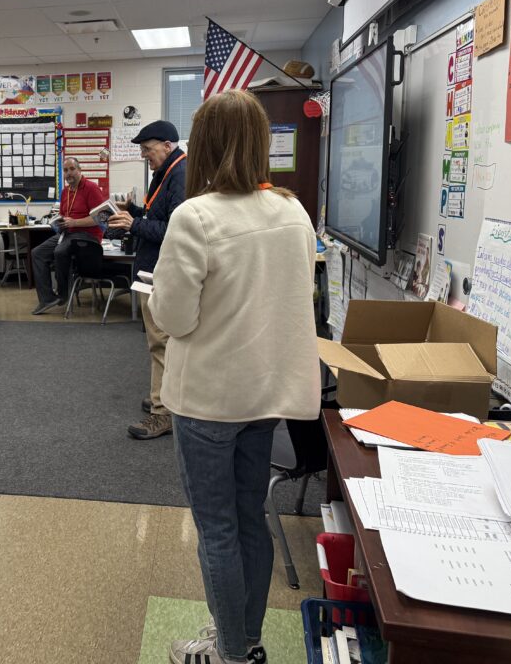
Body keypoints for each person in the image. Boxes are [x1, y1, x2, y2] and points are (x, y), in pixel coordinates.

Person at [149, 90, 319, 664]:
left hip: (207, 401)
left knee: (217, 529)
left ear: (205, 147)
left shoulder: (195, 216)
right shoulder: (293, 211)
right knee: (250, 521)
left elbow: (174, 318)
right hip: (265, 393)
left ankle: (227, 650)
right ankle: (245, 641)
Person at [108, 120, 187, 440]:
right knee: (159, 343)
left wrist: (133, 224)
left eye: (148, 149)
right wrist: (136, 210)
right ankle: (162, 395)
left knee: (161, 343)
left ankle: (163, 411)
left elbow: (177, 230)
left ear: (167, 146)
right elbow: (160, 216)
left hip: (161, 271)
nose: (144, 155)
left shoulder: (180, 174)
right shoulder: (168, 171)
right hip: (152, 269)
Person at [30, 157, 106, 315]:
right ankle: (47, 298)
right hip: (68, 233)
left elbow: (101, 218)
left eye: (72, 169)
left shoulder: (91, 188)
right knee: (37, 253)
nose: (69, 173)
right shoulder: (66, 192)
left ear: (79, 170)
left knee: (60, 251)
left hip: (87, 235)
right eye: (65, 170)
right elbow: (65, 215)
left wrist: (75, 223)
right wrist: (59, 222)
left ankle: (63, 294)